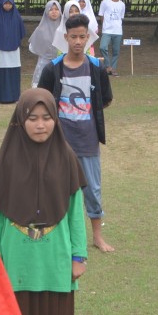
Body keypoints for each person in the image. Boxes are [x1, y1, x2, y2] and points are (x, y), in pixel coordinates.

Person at [0, 89, 87, 315]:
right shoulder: (6, 161)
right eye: (32, 118)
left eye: (47, 118)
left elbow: (75, 212)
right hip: (16, 258)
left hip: (56, 257)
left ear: (56, 120)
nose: (40, 125)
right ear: (20, 120)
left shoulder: (67, 157)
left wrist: (78, 255)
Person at [37, 14, 115, 253]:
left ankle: (97, 237)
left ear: (88, 37)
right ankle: (53, 235)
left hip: (88, 141)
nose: (78, 42)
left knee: (92, 189)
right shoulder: (53, 69)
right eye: (73, 37)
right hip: (60, 143)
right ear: (65, 38)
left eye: (83, 37)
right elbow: (42, 101)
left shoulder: (96, 68)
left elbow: (106, 100)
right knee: (56, 188)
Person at [0, 0, 26, 104]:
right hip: (0, 49)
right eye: (6, 3)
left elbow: (21, 32)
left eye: (10, 3)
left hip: (13, 50)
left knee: (13, 72)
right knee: (0, 73)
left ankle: (14, 96)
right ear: (2, 4)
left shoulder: (17, 17)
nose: (8, 6)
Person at [28, 0, 63, 87]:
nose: (54, 12)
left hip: (61, 61)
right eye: (51, 9)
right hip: (44, 62)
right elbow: (32, 47)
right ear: (46, 11)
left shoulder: (65, 28)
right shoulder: (40, 29)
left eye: (56, 9)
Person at [97, 0, 126, 75]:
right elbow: (101, 15)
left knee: (116, 51)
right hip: (107, 30)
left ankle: (113, 69)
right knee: (102, 47)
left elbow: (121, 17)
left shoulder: (122, 4)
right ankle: (107, 65)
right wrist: (104, 25)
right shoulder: (105, 2)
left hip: (118, 30)